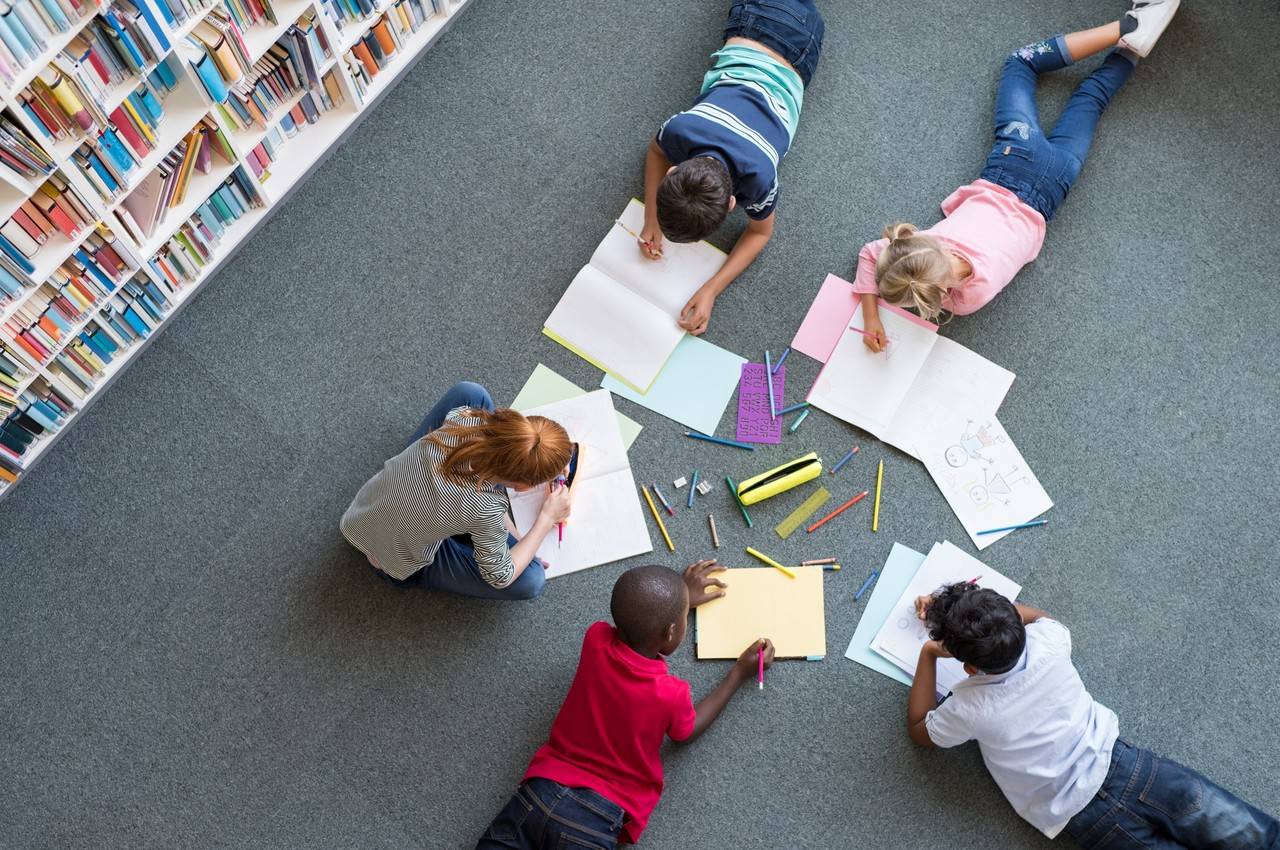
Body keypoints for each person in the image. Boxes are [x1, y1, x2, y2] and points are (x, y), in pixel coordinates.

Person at [854, 0, 1179, 349]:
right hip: (1012, 163)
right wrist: (870, 310)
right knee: (1020, 63)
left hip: (1055, 184)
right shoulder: (927, 245)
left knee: (1093, 98)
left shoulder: (965, 300)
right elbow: (871, 253)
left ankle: (1131, 51)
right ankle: (1126, 27)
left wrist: (879, 313)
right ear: (916, 240)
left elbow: (904, 277)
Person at [907, 582, 1280, 849]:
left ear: (969, 668)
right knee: (1249, 833)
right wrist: (981, 615)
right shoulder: (1051, 642)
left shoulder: (970, 708)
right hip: (1131, 767)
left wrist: (928, 653)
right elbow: (1037, 617)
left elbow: (921, 731)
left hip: (1081, 816)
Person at [477, 561, 773, 848]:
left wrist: (675, 601)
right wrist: (738, 673)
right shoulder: (671, 694)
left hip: (538, 793)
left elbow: (628, 622)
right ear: (670, 632)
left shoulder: (594, 639)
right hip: (595, 817)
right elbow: (686, 733)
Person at [641, 0, 825, 336]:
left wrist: (712, 288)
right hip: (753, 26)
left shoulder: (760, 178)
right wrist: (651, 216)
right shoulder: (683, 129)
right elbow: (656, 151)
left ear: (730, 204)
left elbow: (760, 233)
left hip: (800, 44)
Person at [340, 381, 573, 600]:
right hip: (393, 561)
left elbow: (500, 441)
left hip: (361, 514)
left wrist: (536, 456)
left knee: (471, 393)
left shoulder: (465, 419)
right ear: (523, 486)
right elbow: (501, 576)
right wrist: (546, 519)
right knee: (532, 578)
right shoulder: (485, 507)